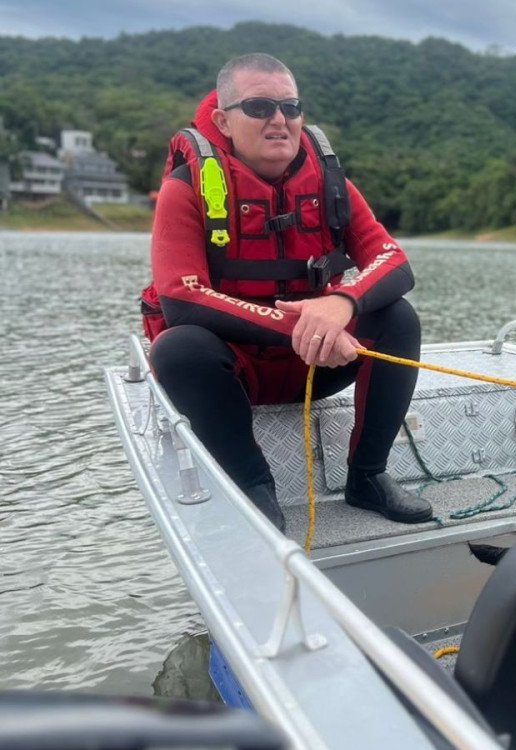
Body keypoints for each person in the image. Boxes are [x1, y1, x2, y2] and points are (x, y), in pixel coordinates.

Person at [143, 53, 431, 532]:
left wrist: (340, 305)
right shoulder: (186, 188)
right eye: (258, 107)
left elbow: (394, 260)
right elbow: (181, 297)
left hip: (320, 365)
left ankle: (368, 477)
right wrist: (306, 324)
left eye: (290, 107)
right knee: (178, 347)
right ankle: (254, 487)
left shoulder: (331, 182)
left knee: (398, 317)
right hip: (235, 376)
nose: (279, 119)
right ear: (223, 121)